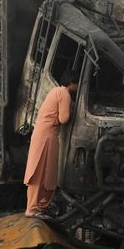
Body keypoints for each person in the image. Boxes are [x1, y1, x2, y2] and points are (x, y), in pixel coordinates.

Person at [24, 71, 78, 219]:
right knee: (41, 172)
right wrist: (73, 107)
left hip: (42, 133)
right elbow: (64, 118)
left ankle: (37, 207)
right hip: (47, 136)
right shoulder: (65, 94)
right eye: (77, 84)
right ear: (72, 83)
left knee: (42, 171)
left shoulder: (55, 90)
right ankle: (33, 208)